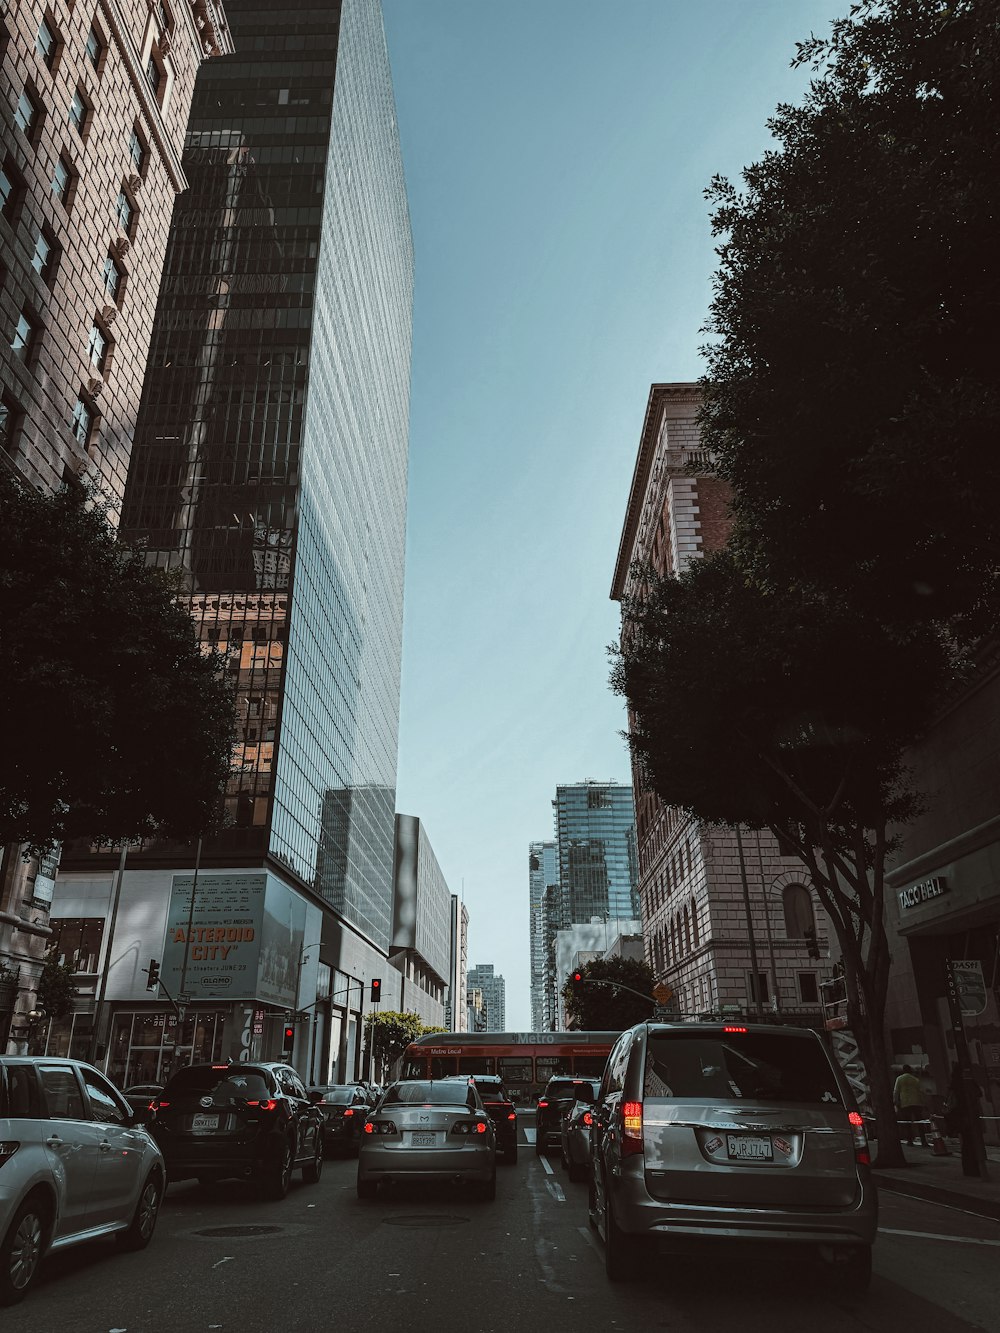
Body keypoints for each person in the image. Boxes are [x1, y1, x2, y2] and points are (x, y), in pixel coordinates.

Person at [893, 1064, 927, 1146]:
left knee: (907, 1122)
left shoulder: (899, 1079)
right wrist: (923, 1103)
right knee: (919, 1122)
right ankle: (923, 1140)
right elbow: (920, 1092)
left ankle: (910, 1140)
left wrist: (895, 1101)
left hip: (905, 1103)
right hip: (916, 1102)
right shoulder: (915, 1080)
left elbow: (896, 1091)